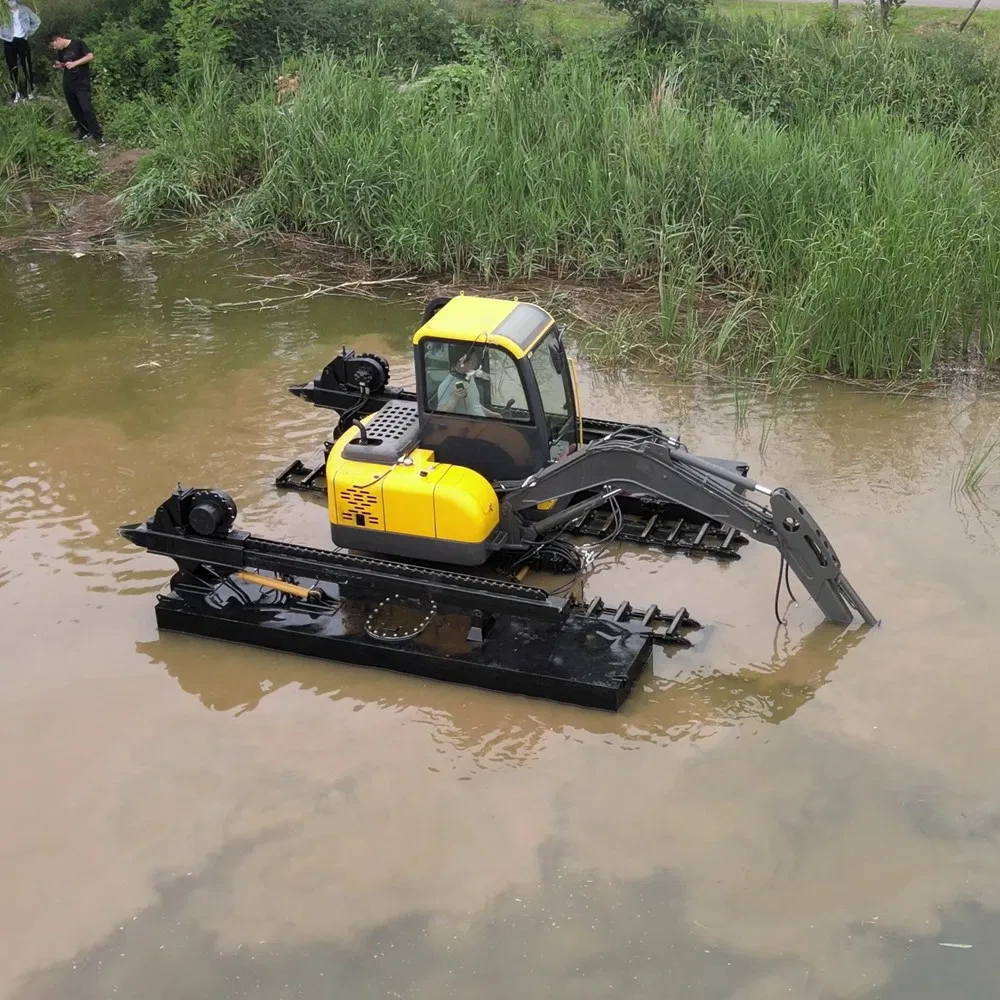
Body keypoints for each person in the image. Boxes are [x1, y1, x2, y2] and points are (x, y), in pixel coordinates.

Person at [47, 30, 104, 146]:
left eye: (54, 45)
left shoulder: (78, 44)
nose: (55, 48)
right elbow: (66, 64)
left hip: (81, 84)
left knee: (87, 109)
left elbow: (90, 56)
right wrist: (60, 65)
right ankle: (84, 131)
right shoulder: (61, 52)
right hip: (68, 84)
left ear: (58, 39)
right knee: (75, 110)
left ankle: (98, 136)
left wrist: (75, 63)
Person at [1, 1, 40, 103]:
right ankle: (16, 91)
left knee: (26, 65)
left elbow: (37, 21)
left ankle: (29, 90)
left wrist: (28, 33)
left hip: (22, 39)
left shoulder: (24, 9)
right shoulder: (2, 11)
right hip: (9, 41)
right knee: (12, 67)